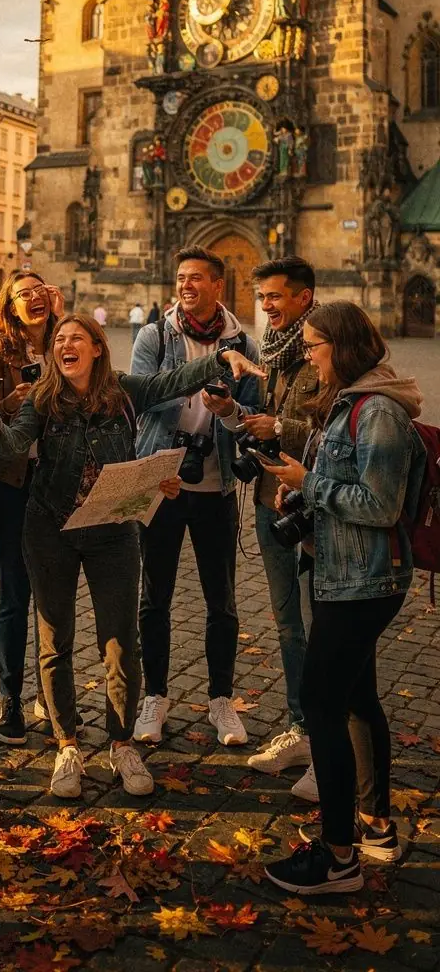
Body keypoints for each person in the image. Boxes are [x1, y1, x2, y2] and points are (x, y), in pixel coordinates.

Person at [0, 313, 263, 800]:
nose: (65, 345)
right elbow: (17, 442)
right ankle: (66, 742)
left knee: (121, 643)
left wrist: (220, 357)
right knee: (54, 641)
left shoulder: (123, 391)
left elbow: (173, 379)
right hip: (50, 529)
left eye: (75, 338)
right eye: (59, 339)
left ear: (98, 348)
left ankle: (121, 742)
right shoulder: (42, 398)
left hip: (112, 532)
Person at [263, 302, 424, 895]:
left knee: (321, 703)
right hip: (346, 571)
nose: (308, 356)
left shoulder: (378, 410)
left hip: (362, 580)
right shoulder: (355, 403)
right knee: (358, 699)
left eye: (313, 346)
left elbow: (380, 506)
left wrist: (310, 484)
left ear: (344, 346)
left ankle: (336, 858)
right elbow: (350, 491)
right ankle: (376, 829)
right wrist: (302, 499)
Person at [131, 245, 261, 749]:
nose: (186, 285)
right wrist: (199, 377)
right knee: (154, 596)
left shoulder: (243, 341)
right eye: (181, 277)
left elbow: (250, 415)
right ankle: (155, 696)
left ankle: (221, 700)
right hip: (162, 482)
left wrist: (227, 409)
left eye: (197, 279)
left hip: (216, 484)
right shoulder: (154, 335)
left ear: (217, 286)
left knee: (221, 599)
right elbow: (142, 393)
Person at [215, 258, 319, 797]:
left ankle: (329, 743)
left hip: (317, 504)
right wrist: (236, 410)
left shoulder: (328, 348)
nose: (267, 305)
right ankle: (302, 727)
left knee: (320, 621)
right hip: (269, 497)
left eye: (276, 296)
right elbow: (257, 410)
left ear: (304, 298)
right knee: (287, 624)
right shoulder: (272, 350)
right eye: (262, 296)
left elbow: (339, 426)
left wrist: (281, 425)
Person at [0, 270, 63, 744]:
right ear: (9, 305)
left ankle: (50, 693)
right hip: (9, 481)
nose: (34, 298)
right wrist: (10, 401)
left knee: (51, 593)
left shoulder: (62, 339)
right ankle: (10, 698)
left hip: (54, 479)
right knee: (14, 593)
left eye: (40, 291)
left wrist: (62, 317)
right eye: (23, 294)